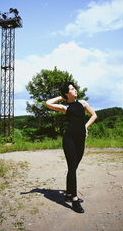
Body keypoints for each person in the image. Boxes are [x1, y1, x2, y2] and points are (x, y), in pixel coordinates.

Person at [45, 82, 97, 213]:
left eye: (74, 88)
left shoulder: (83, 103)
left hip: (81, 139)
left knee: (73, 167)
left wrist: (85, 126)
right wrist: (62, 97)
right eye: (72, 89)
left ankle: (68, 194)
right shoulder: (65, 107)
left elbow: (94, 115)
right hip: (69, 140)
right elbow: (48, 103)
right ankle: (74, 199)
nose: (75, 90)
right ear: (67, 93)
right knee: (72, 168)